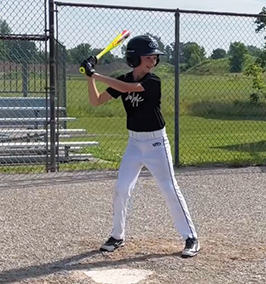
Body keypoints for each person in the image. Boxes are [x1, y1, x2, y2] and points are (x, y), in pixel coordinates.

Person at [80, 34, 200, 258]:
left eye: (155, 57)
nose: (153, 59)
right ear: (135, 58)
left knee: (170, 189)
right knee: (121, 188)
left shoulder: (153, 81)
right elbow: (96, 101)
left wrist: (96, 73)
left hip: (156, 143)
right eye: (148, 56)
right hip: (134, 143)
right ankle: (117, 235)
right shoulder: (123, 79)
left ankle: (191, 237)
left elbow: (128, 89)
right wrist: (90, 78)